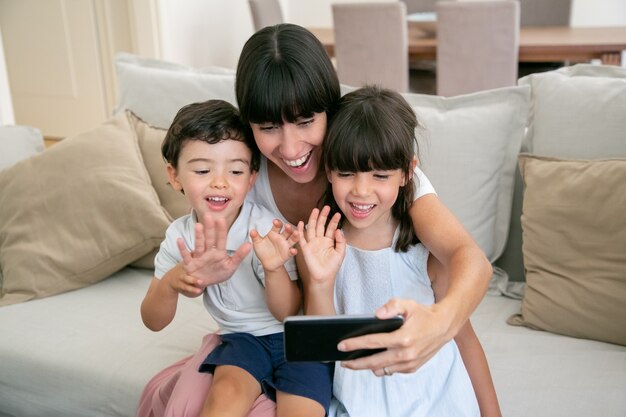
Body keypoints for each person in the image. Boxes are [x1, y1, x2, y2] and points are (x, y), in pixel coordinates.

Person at [137, 23, 493, 417]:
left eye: (306, 121)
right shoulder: (241, 176)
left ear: (330, 107)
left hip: (322, 360)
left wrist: (439, 323)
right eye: (268, 128)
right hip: (262, 343)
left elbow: (466, 258)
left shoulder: (370, 167)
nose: (290, 148)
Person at [296, 85, 501, 416]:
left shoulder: (422, 250)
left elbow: (465, 339)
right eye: (347, 173)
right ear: (329, 171)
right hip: (358, 405)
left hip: (435, 404)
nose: (362, 191)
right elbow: (323, 349)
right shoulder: (321, 245)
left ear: (408, 172)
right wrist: (319, 281)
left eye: (380, 175)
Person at [139, 99, 333, 417]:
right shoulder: (180, 238)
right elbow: (153, 320)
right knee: (223, 398)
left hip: (294, 339)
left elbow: (287, 312)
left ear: (252, 177)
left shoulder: (265, 230)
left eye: (236, 170)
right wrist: (174, 281)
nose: (220, 181)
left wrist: (273, 270)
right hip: (241, 341)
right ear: (174, 176)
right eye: (203, 170)